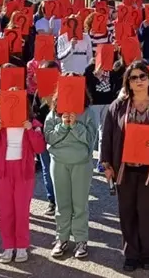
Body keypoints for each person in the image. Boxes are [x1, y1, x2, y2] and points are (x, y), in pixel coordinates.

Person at [100, 60, 149, 272]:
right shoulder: (119, 105)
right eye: (134, 77)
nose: (139, 81)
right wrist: (106, 163)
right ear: (128, 82)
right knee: (127, 212)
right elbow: (107, 135)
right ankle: (130, 255)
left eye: (143, 76)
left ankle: (147, 254)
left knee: (147, 212)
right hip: (124, 167)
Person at [0, 88, 46, 264]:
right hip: (4, 172)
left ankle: (21, 246)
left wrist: (30, 130)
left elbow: (40, 148)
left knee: (21, 211)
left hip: (24, 172)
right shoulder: (0, 123)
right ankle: (8, 246)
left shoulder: (33, 123)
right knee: (5, 212)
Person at [44, 73, 98, 260]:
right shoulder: (54, 112)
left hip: (81, 164)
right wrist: (63, 125)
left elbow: (92, 141)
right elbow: (48, 138)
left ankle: (81, 240)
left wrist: (75, 126)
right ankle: (62, 238)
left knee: (80, 204)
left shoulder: (89, 112)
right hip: (59, 163)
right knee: (62, 204)